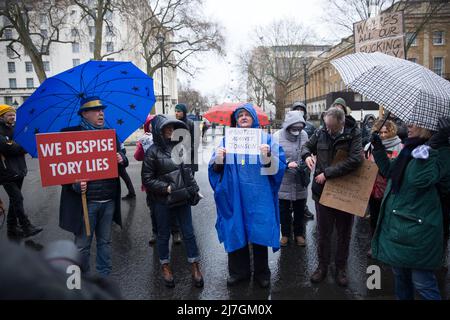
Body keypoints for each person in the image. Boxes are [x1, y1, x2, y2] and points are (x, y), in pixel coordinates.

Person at [208, 103, 286, 288]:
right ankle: (238, 272)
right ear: (235, 120)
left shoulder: (266, 139)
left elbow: (279, 166)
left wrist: (267, 156)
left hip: (259, 196)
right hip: (234, 196)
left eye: (247, 115)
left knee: (259, 231)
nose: (243, 117)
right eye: (239, 115)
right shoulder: (227, 141)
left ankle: (261, 273)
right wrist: (219, 159)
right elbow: (215, 168)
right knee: (236, 229)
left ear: (254, 119)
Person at [370, 121, 448, 300]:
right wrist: (378, 148)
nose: (409, 125)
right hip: (398, 225)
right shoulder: (410, 148)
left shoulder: (441, 151)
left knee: (422, 283)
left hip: (419, 230)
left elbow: (418, 179)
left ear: (429, 128)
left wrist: (431, 148)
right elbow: (391, 170)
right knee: (401, 278)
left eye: (416, 123)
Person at [59, 96, 128, 277]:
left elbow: (123, 156)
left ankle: (103, 279)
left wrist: (122, 158)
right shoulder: (70, 135)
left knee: (105, 243)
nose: (101, 113)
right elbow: (60, 170)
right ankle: (82, 282)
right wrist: (75, 184)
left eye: (102, 110)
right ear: (84, 114)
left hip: (108, 200)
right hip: (86, 203)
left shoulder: (111, 134)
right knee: (82, 246)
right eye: (96, 110)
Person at [301, 107, 363, 287]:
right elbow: (307, 146)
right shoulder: (321, 131)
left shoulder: (354, 134)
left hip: (345, 192)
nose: (327, 130)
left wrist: (327, 173)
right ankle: (322, 267)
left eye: (332, 127)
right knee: (323, 233)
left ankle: (341, 267)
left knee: (344, 233)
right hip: (322, 192)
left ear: (341, 123)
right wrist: (306, 156)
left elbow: (355, 160)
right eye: (326, 125)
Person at [142, 115, 203, 288]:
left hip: (182, 200)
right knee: (163, 235)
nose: (170, 130)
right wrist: (166, 188)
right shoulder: (152, 152)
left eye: (172, 128)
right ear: (158, 130)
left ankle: (194, 265)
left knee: (189, 233)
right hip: (162, 202)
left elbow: (187, 172)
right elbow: (147, 179)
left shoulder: (181, 148)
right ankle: (165, 266)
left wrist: (194, 190)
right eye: (166, 128)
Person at [0, 104, 43, 238]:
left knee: (14, 200)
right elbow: (8, 148)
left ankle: (11, 227)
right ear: (1, 117)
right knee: (18, 198)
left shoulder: (15, 128)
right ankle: (26, 226)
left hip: (19, 170)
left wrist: (27, 140)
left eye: (13, 114)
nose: (13, 117)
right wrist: (23, 145)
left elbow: (20, 144)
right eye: (9, 115)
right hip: (5, 172)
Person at [364, 119, 402, 258]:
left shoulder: (400, 146)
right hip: (373, 189)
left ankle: (388, 246)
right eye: (380, 132)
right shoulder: (370, 145)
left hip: (390, 190)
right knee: (374, 218)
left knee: (389, 220)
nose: (383, 135)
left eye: (386, 132)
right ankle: (375, 245)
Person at [273, 110, 309, 247]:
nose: (297, 131)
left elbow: (308, 151)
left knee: (300, 209)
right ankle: (286, 235)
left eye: (299, 128)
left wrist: (307, 160)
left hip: (300, 180)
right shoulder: (277, 136)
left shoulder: (304, 135)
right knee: (284, 210)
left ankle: (299, 234)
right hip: (284, 180)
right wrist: (286, 164)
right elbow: (273, 157)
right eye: (294, 128)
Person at [291, 101, 316, 220]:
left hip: (306, 161)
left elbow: (315, 142)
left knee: (304, 185)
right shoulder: (288, 125)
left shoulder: (310, 127)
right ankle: (291, 207)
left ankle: (303, 207)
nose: (300, 112)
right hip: (292, 160)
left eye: (302, 110)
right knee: (290, 185)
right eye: (297, 109)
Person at [175, 103, 199, 175]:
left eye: (178, 111)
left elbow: (196, 141)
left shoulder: (191, 123)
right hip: (177, 157)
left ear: (184, 112)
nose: (176, 113)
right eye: (175, 111)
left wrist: (187, 152)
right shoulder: (174, 123)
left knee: (189, 180)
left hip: (190, 157)